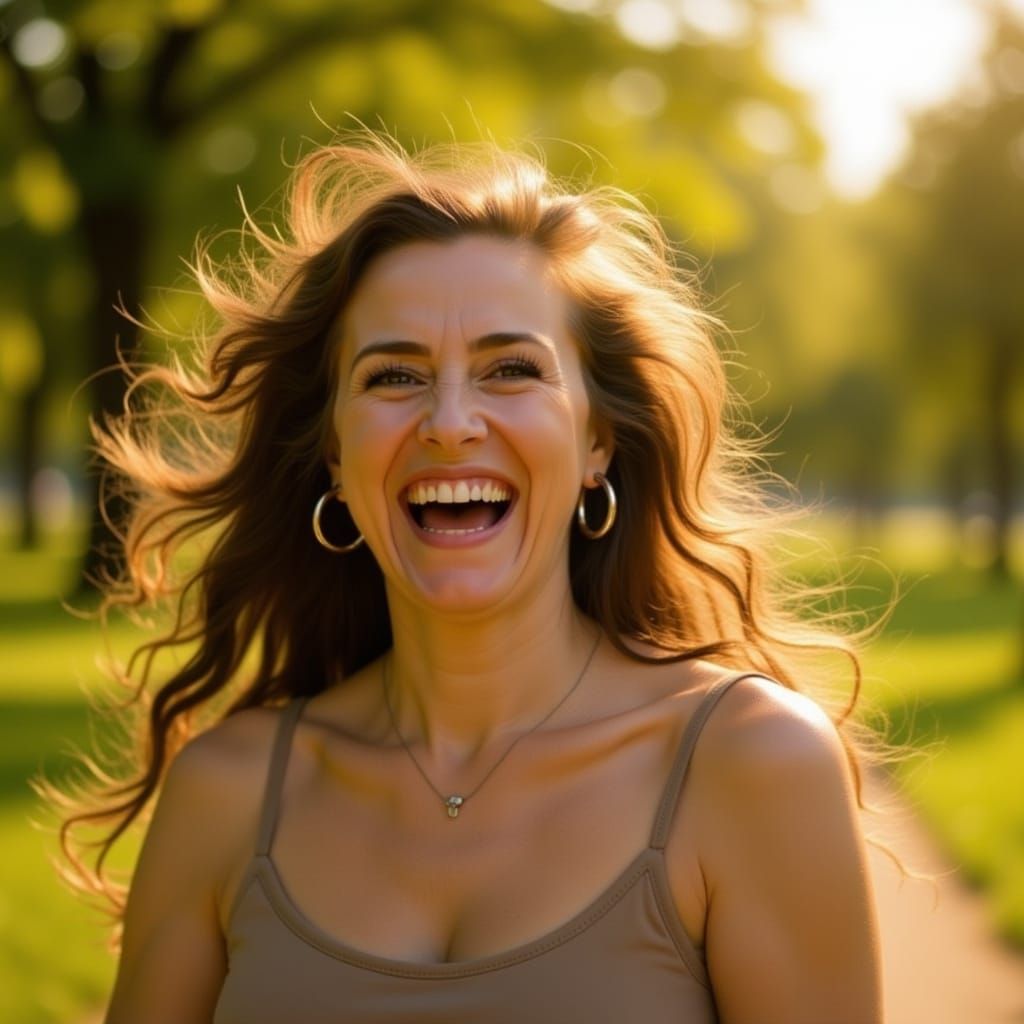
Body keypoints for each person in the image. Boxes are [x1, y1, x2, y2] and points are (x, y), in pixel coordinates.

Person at [60, 132, 882, 1022]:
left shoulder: (752, 764)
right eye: (394, 375)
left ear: (597, 440)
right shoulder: (225, 793)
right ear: (335, 454)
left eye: (511, 369)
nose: (450, 422)